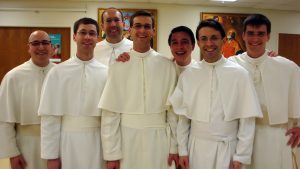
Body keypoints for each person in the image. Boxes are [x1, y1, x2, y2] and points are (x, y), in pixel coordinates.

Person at [169, 19, 263, 169]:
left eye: (214, 38)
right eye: (204, 39)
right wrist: (182, 151)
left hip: (228, 150)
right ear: (198, 43)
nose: (209, 44)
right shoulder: (189, 75)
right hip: (196, 148)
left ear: (223, 41)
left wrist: (241, 156)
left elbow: (247, 121)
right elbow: (183, 119)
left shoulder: (240, 74)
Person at [99, 10, 178, 169]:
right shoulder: (119, 66)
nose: (142, 30)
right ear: (130, 30)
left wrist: (175, 147)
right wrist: (112, 154)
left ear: (153, 31)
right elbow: (110, 114)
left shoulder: (167, 65)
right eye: (138, 26)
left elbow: (173, 113)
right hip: (127, 139)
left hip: (159, 139)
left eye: (147, 26)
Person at [228, 13, 300, 169]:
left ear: (268, 36)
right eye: (251, 33)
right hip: (238, 136)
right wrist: (176, 64)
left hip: (274, 137)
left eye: (261, 34)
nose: (255, 39)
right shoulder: (230, 65)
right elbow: (204, 71)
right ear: (243, 36)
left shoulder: (287, 67)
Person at [38, 17, 107, 169]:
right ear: (74, 36)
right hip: (67, 140)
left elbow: (111, 118)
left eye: (92, 33)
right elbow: (50, 117)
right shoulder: (57, 72)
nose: (87, 37)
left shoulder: (107, 72)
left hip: (98, 142)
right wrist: (51, 156)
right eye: (83, 32)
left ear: (97, 38)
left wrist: (111, 154)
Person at [0, 30, 55, 169]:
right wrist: (12, 153)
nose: (41, 47)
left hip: (57, 143)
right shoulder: (13, 77)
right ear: (28, 48)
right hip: (26, 146)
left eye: (45, 43)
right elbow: (4, 120)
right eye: (36, 43)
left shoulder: (61, 74)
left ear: (51, 47)